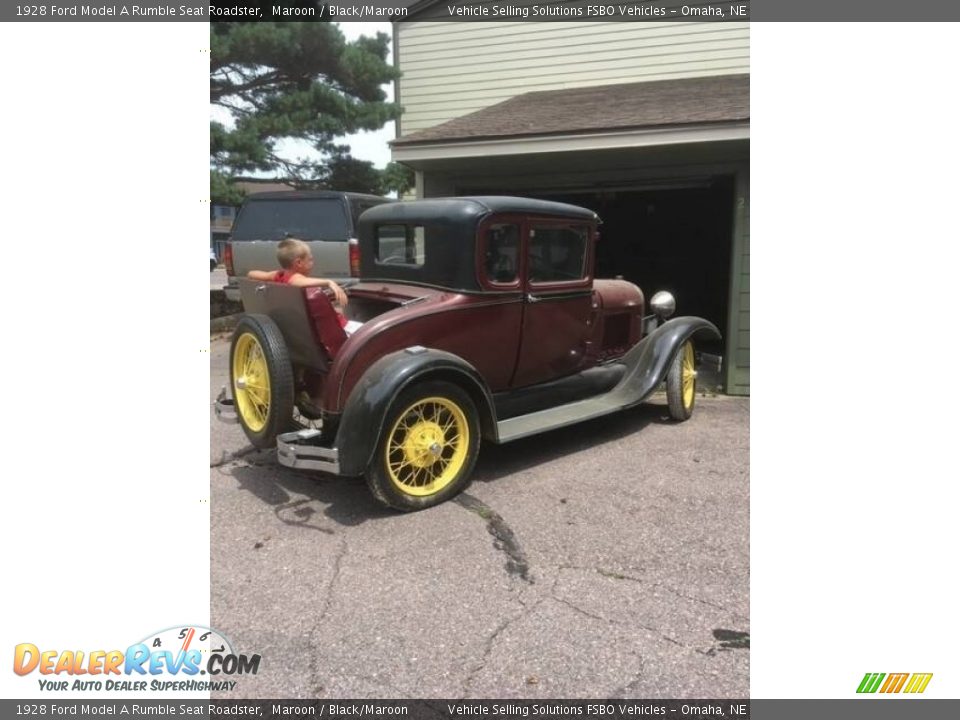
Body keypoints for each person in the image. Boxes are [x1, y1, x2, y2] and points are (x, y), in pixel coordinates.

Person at [248, 238, 349, 308]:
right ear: (299, 263)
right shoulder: (295, 278)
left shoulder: (278, 275)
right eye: (310, 260)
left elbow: (251, 274)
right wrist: (329, 282)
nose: (313, 263)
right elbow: (297, 281)